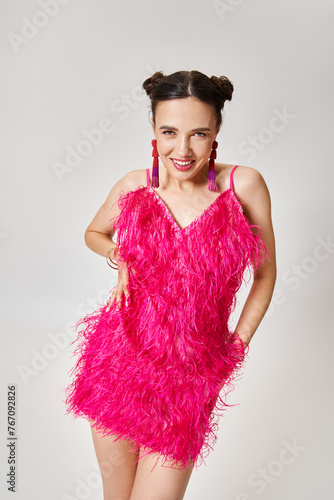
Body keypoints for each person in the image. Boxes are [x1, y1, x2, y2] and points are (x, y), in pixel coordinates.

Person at [64, 70, 276, 500]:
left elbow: (266, 273)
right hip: (117, 362)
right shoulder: (134, 185)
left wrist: (236, 346)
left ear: (217, 129)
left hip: (189, 376)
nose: (182, 149)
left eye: (199, 133)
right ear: (154, 131)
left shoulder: (244, 186)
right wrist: (119, 255)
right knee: (116, 495)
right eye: (169, 132)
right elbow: (93, 233)